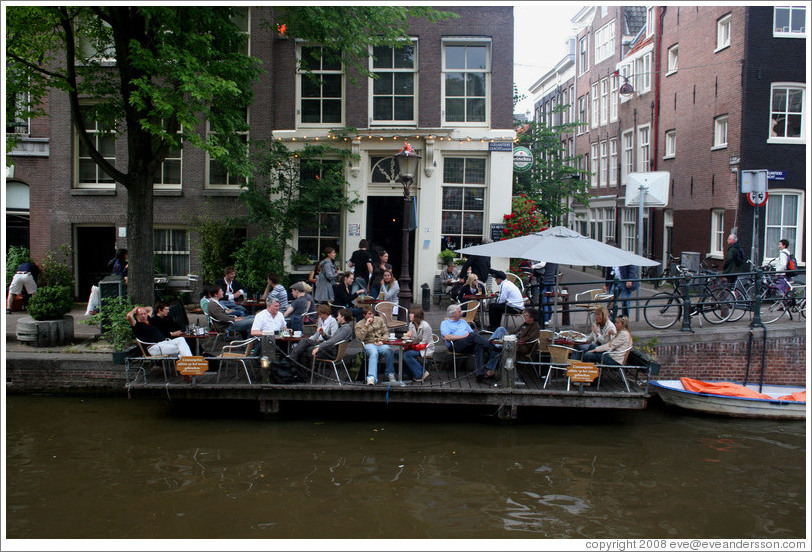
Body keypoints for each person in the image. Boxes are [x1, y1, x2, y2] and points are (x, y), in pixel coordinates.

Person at [440, 303, 499, 383]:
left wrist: (467, 336)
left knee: (478, 345)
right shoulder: (445, 323)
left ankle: (480, 376)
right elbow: (447, 337)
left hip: (467, 343)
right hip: (455, 344)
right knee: (472, 336)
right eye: (459, 311)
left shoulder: (463, 322)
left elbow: (471, 333)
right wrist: (463, 336)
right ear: (453, 314)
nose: (462, 313)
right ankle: (492, 348)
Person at [485, 308, 541, 373]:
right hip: (512, 339)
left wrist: (514, 339)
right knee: (500, 329)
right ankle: (488, 344)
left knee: (497, 347)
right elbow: (516, 331)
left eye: (526, 315)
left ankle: (490, 368)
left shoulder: (535, 327)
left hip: (520, 345)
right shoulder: (525, 323)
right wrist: (509, 334)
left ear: (532, 318)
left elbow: (529, 338)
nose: (524, 316)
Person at [127, 306, 192, 357]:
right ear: (136, 316)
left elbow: (150, 308)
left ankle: (187, 365)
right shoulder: (136, 325)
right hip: (154, 348)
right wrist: (135, 309)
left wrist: (141, 309)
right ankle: (190, 365)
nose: (144, 316)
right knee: (182, 348)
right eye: (141, 314)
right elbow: (129, 316)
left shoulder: (148, 320)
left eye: (145, 314)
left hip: (164, 343)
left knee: (181, 339)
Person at [354, 305, 396, 385]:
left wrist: (383, 340)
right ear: (364, 315)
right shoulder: (359, 324)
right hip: (368, 344)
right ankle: (371, 377)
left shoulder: (379, 320)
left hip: (380, 343)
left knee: (389, 350)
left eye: (372, 314)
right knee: (374, 353)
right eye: (369, 314)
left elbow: (386, 332)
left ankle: (390, 373)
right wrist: (366, 325)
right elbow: (359, 338)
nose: (371, 316)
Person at [289, 304, 338, 368]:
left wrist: (322, 337)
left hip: (325, 344)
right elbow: (317, 333)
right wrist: (311, 338)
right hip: (318, 341)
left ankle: (292, 359)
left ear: (327, 314)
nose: (321, 316)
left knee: (305, 346)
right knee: (305, 342)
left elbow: (333, 338)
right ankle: (298, 366)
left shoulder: (333, 322)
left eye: (322, 315)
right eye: (320, 315)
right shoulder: (321, 320)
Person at [400, 306, 434, 382]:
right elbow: (413, 340)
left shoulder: (425, 326)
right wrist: (409, 337)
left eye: (411, 313)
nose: (409, 315)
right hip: (416, 346)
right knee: (397, 353)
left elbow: (424, 343)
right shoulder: (411, 325)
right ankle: (411, 374)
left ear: (417, 315)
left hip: (425, 348)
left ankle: (421, 373)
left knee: (407, 354)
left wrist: (411, 346)